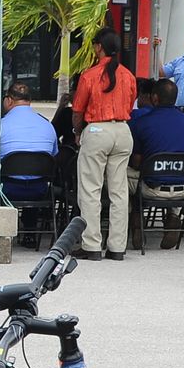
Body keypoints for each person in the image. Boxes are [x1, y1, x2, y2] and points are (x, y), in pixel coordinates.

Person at [71, 28, 137, 259]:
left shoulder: (89, 75)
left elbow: (78, 110)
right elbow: (130, 104)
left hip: (97, 130)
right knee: (119, 191)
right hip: (123, 130)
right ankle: (117, 247)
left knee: (91, 190)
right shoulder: (128, 75)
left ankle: (91, 245)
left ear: (98, 47)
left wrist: (77, 132)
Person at [130, 78, 184, 249]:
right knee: (175, 172)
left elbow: (137, 162)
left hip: (150, 188)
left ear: (154, 98)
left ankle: (136, 219)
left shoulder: (143, 122)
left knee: (118, 176)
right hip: (183, 190)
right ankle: (173, 216)